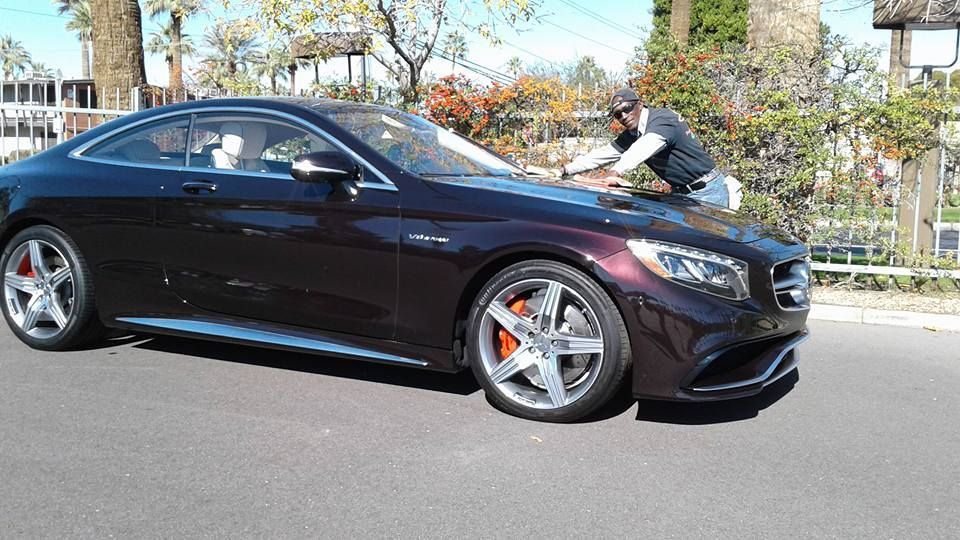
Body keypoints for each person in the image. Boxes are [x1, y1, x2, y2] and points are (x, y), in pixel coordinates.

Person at [558, 87, 739, 209]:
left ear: (640, 104)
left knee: (709, 252)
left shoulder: (663, 119)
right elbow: (604, 153)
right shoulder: (633, 133)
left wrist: (615, 172)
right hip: (680, 193)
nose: (623, 116)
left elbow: (645, 147)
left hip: (708, 191)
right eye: (617, 114)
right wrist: (565, 169)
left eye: (627, 108)